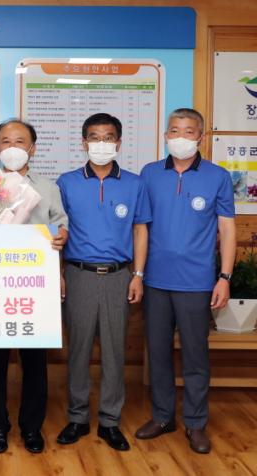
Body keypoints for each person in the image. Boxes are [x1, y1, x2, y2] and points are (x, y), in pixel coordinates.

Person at [135, 108, 236, 454]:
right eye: (174, 130)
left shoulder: (218, 176)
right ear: (166, 136)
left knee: (195, 356)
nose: (181, 137)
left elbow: (227, 229)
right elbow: (141, 228)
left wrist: (224, 277)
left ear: (200, 137)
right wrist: (138, 274)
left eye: (189, 131)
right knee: (158, 353)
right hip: (155, 281)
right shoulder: (149, 174)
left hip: (197, 282)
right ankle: (163, 417)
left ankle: (196, 423)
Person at [56, 113, 151, 452]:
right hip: (78, 275)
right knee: (78, 350)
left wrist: (138, 275)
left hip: (118, 276)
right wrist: (59, 274)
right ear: (84, 143)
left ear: (118, 143)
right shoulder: (66, 182)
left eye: (108, 137)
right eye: (94, 137)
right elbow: (57, 232)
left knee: (114, 352)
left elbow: (140, 230)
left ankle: (110, 421)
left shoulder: (134, 183)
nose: (101, 144)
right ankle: (78, 417)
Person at [0, 119, 68, 454]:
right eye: (5, 141)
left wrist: (61, 237)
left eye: (20, 141)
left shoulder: (48, 187)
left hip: (35, 288)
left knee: (35, 362)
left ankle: (32, 427)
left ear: (32, 148)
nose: (12, 147)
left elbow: (61, 225)